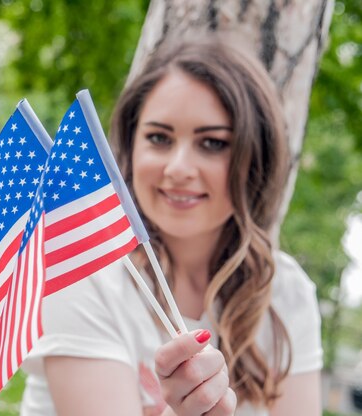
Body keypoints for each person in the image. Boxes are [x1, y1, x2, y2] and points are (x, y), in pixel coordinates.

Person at [20, 34, 323, 416]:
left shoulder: (286, 291)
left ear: (254, 160)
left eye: (212, 143)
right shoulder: (84, 269)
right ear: (130, 150)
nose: (178, 168)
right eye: (159, 138)